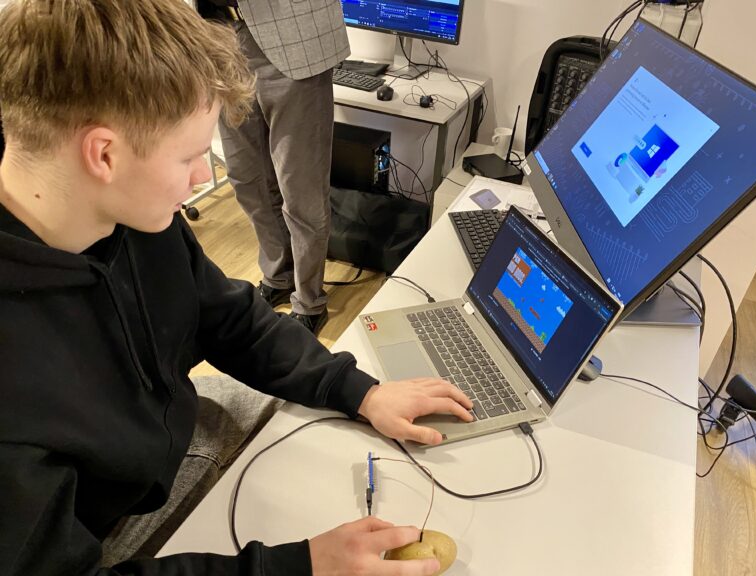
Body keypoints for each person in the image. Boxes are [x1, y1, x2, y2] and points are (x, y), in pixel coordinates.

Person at [0, 1, 473, 575]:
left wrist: (359, 392)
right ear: (104, 154)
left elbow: (227, 318)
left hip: (160, 446)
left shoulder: (131, 218)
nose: (205, 177)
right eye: (191, 157)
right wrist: (299, 568)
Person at [196, 0, 349, 334]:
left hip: (292, 35)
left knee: (301, 187)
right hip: (219, 33)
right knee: (246, 177)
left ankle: (309, 300)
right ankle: (278, 275)